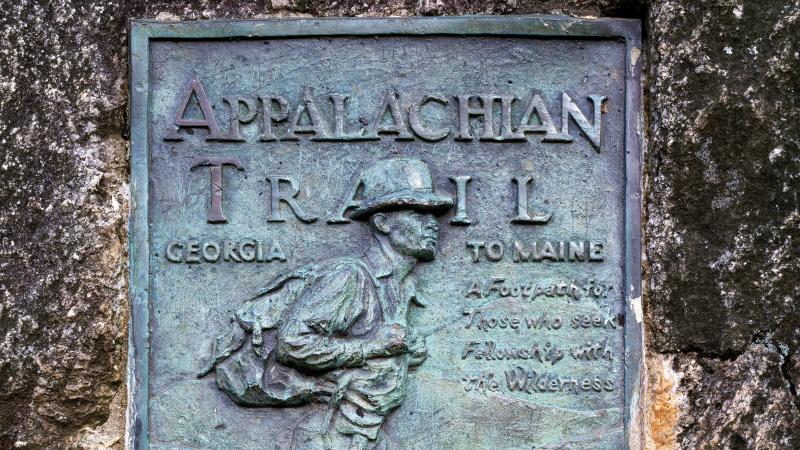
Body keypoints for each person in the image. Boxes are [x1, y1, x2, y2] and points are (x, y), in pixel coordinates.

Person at [199, 158, 452, 449]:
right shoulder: (350, 277)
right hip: (331, 436)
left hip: (364, 434)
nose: (433, 224)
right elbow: (292, 342)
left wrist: (404, 354)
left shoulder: (399, 286)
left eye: (434, 215)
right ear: (382, 222)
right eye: (418, 214)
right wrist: (371, 345)